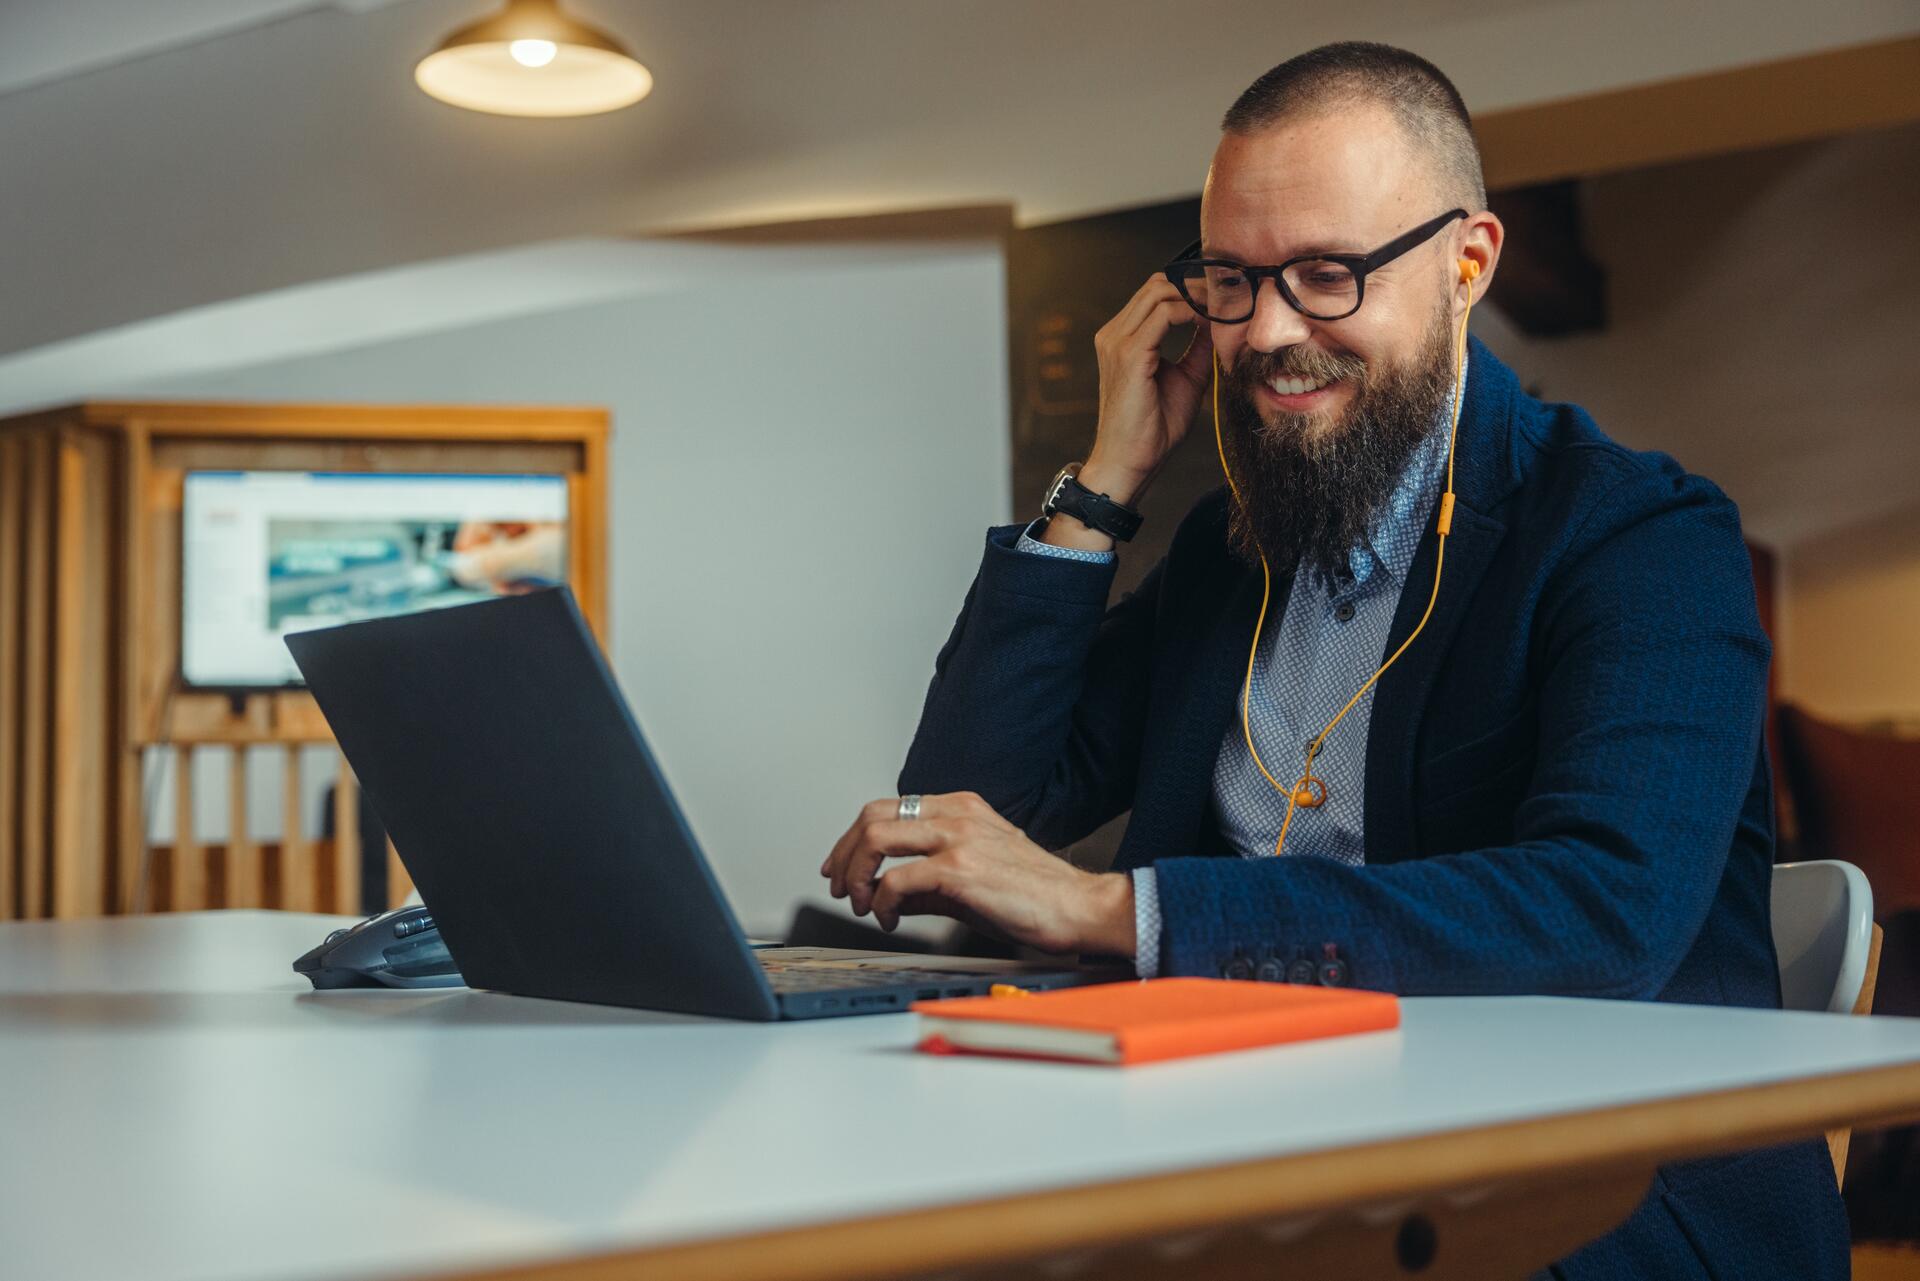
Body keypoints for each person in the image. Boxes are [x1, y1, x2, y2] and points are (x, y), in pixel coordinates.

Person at [818, 42, 1847, 1278]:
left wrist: (1113, 910)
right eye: (1231, 280)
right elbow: (970, 819)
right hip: (1259, 1151)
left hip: (1583, 1199)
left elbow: (1601, 910)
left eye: (1326, 274)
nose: (1267, 332)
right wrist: (1103, 485)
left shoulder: (1642, 535)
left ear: (1467, 265)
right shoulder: (1226, 552)